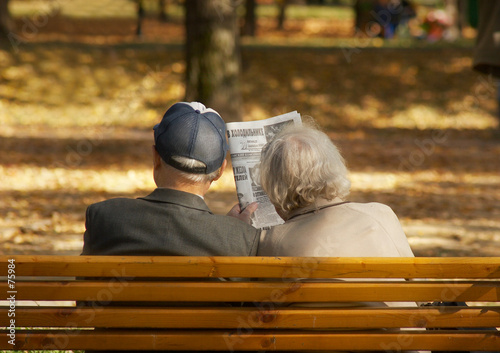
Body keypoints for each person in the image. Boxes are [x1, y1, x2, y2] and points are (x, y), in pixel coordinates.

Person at [82, 101, 259, 257]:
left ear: (156, 158)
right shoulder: (240, 239)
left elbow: (86, 291)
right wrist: (233, 232)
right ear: (220, 171)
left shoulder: (104, 217)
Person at [258, 123, 414, 259]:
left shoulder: (271, 243)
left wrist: (239, 233)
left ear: (274, 186)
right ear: (334, 165)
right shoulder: (381, 215)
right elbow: (415, 279)